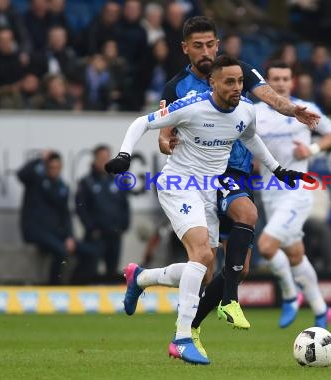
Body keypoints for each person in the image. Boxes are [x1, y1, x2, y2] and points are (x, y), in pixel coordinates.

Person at [105, 55, 314, 365]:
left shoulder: (245, 110)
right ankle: (182, 338)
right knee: (202, 256)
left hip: (209, 189)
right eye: (229, 82)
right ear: (213, 83)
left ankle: (141, 278)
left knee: (202, 270)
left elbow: (250, 137)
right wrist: (124, 155)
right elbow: (142, 123)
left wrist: (278, 169)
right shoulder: (192, 105)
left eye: (240, 81)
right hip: (178, 183)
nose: (236, 87)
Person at [155, 16, 320, 345]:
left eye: (210, 44)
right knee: (232, 231)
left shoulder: (237, 70)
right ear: (185, 49)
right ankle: (226, 303)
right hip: (207, 175)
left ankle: (186, 317)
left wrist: (291, 110)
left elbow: (269, 95)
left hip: (240, 172)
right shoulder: (175, 88)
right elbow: (163, 132)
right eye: (198, 46)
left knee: (237, 269)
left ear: (218, 44)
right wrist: (165, 143)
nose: (205, 51)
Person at [255, 60, 331, 328]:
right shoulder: (255, 113)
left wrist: (312, 150)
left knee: (266, 246)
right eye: (275, 79)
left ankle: (291, 296)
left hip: (298, 192)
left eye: (285, 78)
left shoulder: (306, 109)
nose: (280, 83)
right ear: (266, 83)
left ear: (292, 82)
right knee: (295, 254)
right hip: (270, 194)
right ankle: (320, 308)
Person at [17, 151, 98, 285]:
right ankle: (54, 288)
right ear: (46, 167)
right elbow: (21, 175)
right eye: (51, 167)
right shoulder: (36, 181)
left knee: (91, 253)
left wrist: (69, 236)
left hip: (55, 233)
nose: (54, 171)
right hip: (36, 231)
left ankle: (76, 286)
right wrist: (39, 159)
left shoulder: (62, 188)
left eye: (56, 168)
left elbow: (65, 215)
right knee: (61, 252)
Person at [75, 145, 130, 282]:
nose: (104, 162)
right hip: (96, 236)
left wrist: (124, 225)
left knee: (112, 270)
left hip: (115, 234)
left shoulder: (118, 181)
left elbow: (124, 205)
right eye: (101, 158)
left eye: (107, 158)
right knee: (90, 269)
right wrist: (92, 228)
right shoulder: (86, 182)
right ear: (94, 160)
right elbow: (81, 208)